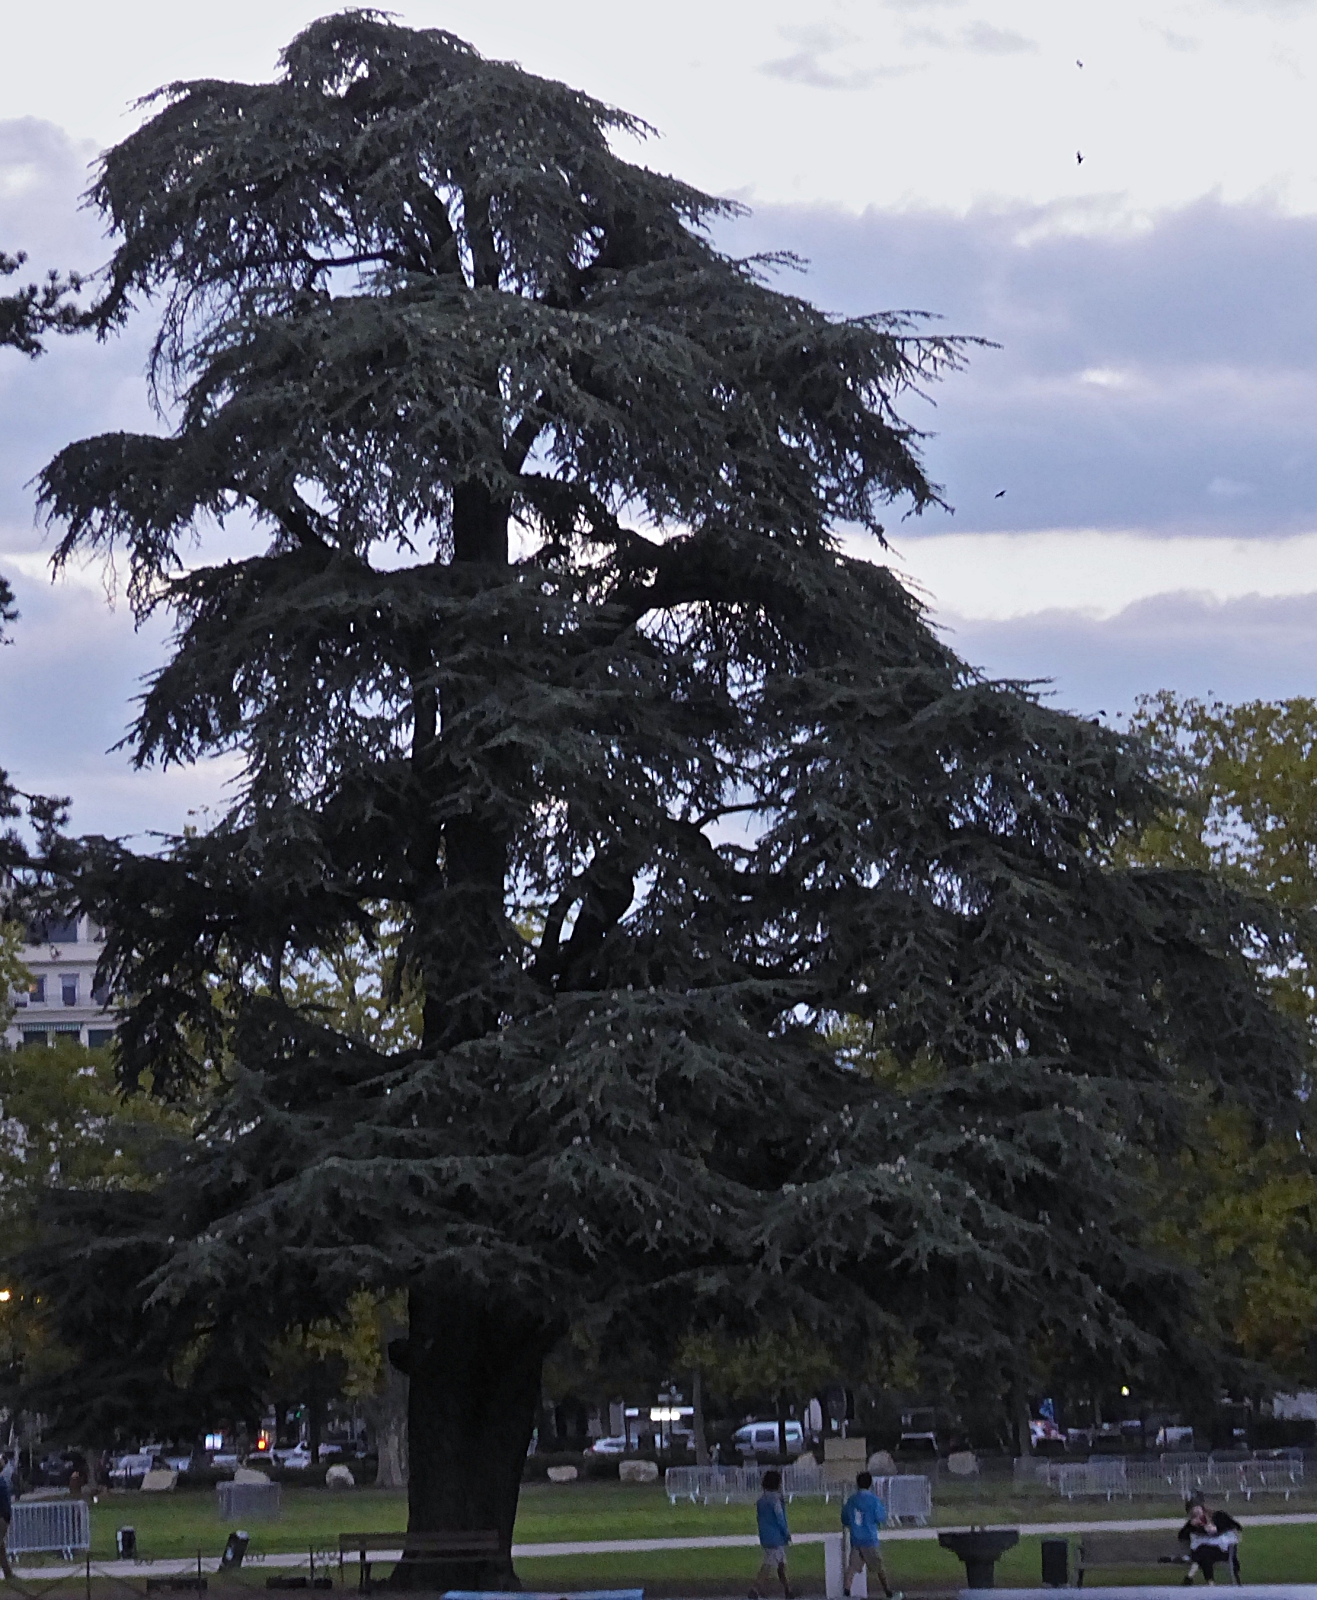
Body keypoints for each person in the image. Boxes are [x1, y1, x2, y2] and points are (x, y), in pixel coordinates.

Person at [841, 1471, 902, 1600]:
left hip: (856, 1539)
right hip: (869, 1539)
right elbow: (880, 1517)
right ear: (870, 1484)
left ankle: (846, 1593)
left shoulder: (851, 1500)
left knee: (852, 1568)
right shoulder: (874, 1500)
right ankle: (888, 1593)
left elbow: (845, 1518)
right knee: (879, 1567)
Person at [1178, 1495, 1242, 1585]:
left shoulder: (1219, 1516)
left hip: (1224, 1551)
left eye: (1197, 1509)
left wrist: (1217, 1529)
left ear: (1202, 1508)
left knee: (1202, 1552)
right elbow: (1181, 1536)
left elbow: (1236, 1526)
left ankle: (1191, 1577)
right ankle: (1210, 1583)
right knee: (1204, 1553)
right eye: (1193, 1513)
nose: (1197, 1513)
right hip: (1207, 1553)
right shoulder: (1193, 1524)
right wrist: (1192, 1526)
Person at [749, 1469, 792, 1599]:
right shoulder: (776, 1500)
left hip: (766, 1536)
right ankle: (755, 1589)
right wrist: (786, 1533)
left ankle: (788, 1589)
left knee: (780, 1564)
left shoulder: (761, 1500)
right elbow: (780, 1518)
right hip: (777, 1537)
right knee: (769, 1565)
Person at [0, 1456, 13, 1580]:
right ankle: (8, 1573)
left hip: (1, 1518)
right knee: (0, 1547)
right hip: (4, 1517)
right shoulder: (2, 1481)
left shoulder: (1, 1483)